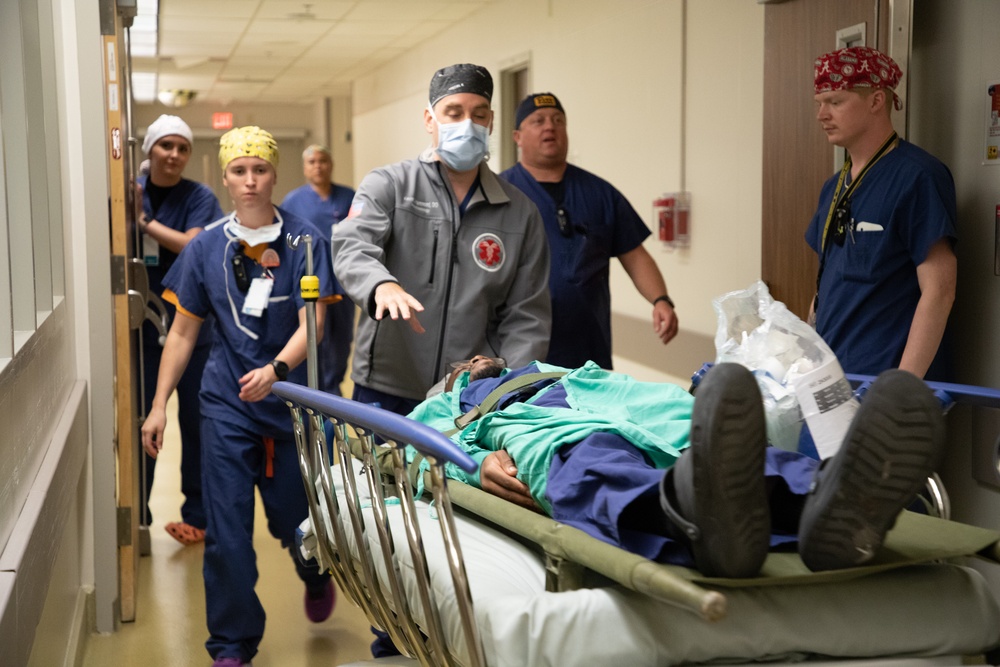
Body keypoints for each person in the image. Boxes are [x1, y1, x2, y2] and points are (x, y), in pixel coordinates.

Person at [409, 358, 945, 578]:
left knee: (721, 449)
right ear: (454, 376)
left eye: (479, 356)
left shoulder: (549, 364)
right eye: (466, 361)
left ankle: (833, 503)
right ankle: (693, 517)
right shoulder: (447, 405)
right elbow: (399, 451)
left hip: (629, 406)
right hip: (545, 429)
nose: (477, 359)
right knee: (594, 464)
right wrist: (472, 467)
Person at [140, 126, 341, 667]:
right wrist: (159, 404)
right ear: (224, 177)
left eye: (260, 170)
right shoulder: (207, 246)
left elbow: (314, 320)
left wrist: (277, 370)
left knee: (295, 520)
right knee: (227, 531)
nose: (250, 181)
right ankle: (232, 644)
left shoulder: (304, 242)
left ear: (275, 175)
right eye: (239, 170)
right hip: (226, 406)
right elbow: (182, 333)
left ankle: (313, 571)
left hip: (291, 405)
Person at [333, 63, 552, 418]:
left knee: (452, 476)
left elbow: (527, 314)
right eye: (453, 112)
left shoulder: (519, 212)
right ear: (429, 119)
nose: (467, 123)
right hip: (387, 386)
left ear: (491, 122)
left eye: (478, 114)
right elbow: (352, 246)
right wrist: (380, 284)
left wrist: (505, 383)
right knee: (381, 474)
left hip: (469, 392)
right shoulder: (390, 185)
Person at [806, 46, 957, 380]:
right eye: (819, 103)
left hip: (887, 382)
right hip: (834, 379)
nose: (822, 115)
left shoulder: (917, 176)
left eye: (835, 101)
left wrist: (901, 388)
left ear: (876, 101)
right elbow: (827, 285)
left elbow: (940, 290)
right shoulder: (833, 188)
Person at [500, 93, 678, 370]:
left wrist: (661, 299)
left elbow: (635, 256)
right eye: (538, 121)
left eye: (558, 120)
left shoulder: (600, 193)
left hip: (587, 352)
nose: (550, 126)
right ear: (517, 137)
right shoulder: (501, 194)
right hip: (517, 352)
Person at [136, 114, 224, 546]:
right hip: (138, 327)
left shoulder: (199, 196)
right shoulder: (128, 192)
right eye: (165, 146)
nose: (174, 155)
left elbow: (194, 244)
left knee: (196, 421)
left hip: (192, 328)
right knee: (143, 422)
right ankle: (137, 519)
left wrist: (145, 224)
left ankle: (199, 517)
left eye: (182, 148)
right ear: (149, 149)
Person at [281, 144, 357, 396]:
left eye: (322, 161)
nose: (318, 166)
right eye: (312, 162)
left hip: (343, 283)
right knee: (314, 336)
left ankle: (333, 389)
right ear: (305, 168)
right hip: (309, 286)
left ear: (331, 164)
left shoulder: (349, 197)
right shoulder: (293, 201)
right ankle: (318, 392)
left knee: (341, 341)